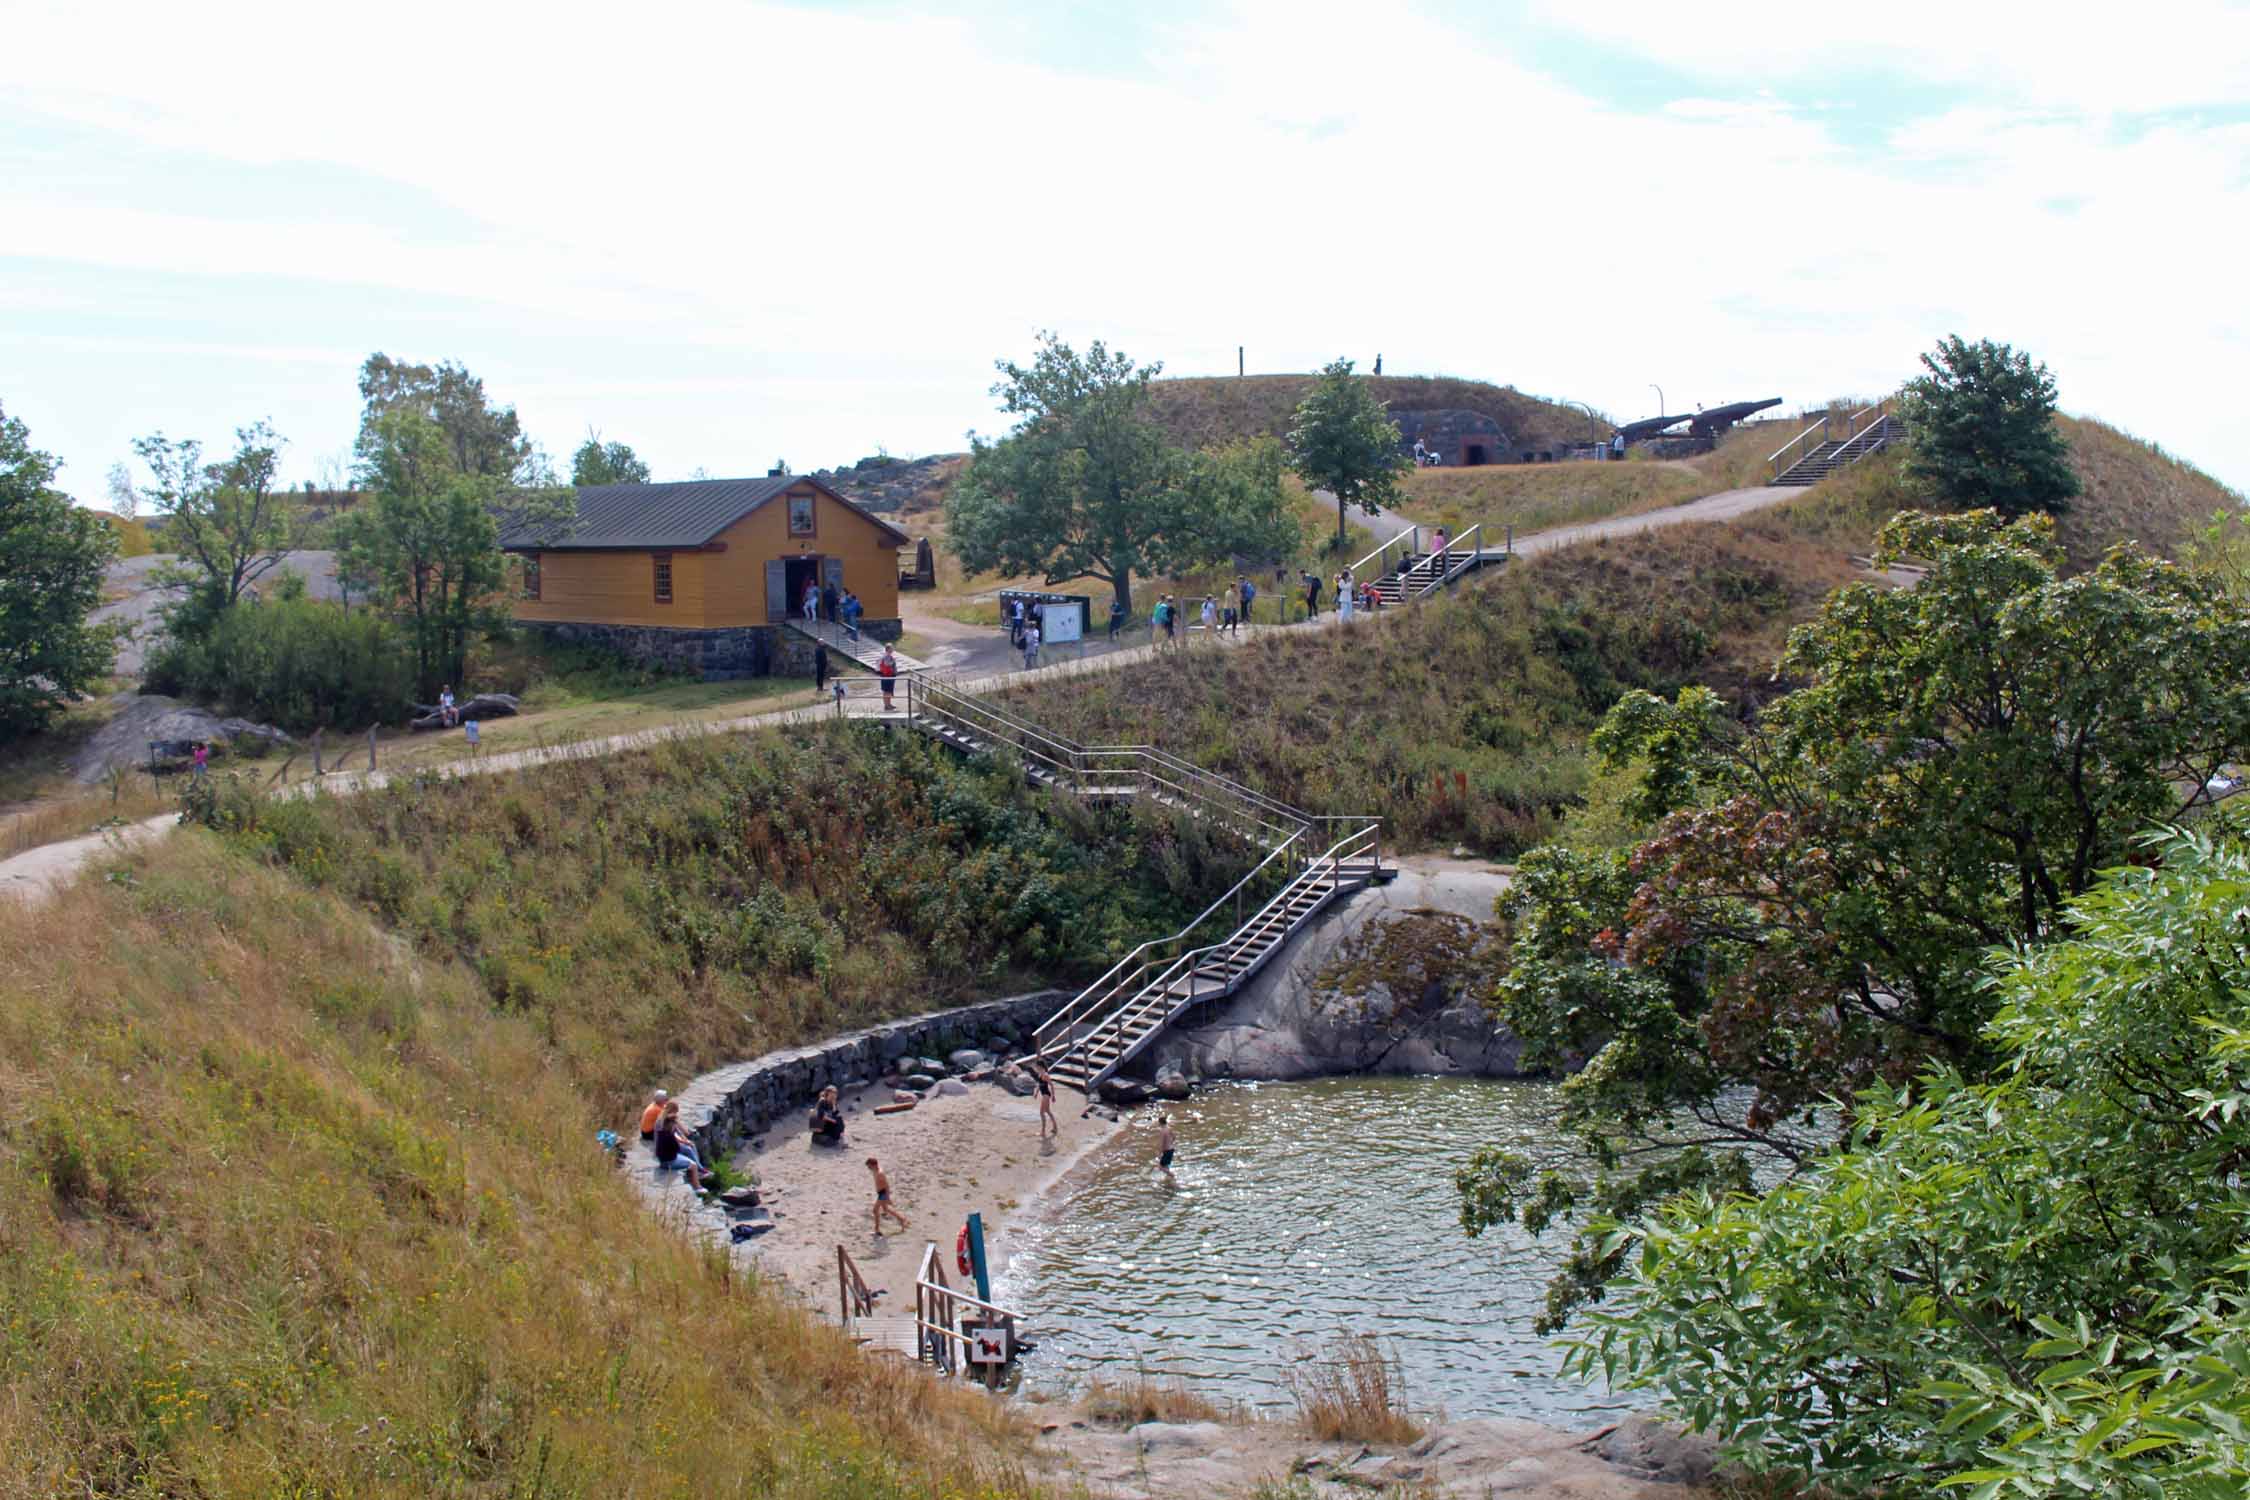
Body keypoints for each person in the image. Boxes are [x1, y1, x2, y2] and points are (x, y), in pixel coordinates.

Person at [653, 1100, 710, 1191]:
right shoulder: (662, 1123)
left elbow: (680, 1133)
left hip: (665, 1156)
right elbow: (675, 1144)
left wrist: (685, 1140)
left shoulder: (667, 1126)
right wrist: (684, 1141)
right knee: (689, 1155)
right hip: (668, 1160)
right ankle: (698, 1182)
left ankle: (700, 1170)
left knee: (690, 1147)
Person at [867, 1157, 910, 1235]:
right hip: (880, 1193)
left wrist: (888, 1197)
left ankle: (877, 1230)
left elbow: (886, 1185)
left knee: (875, 1210)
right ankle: (902, 1219)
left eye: (869, 1166)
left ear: (873, 1165)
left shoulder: (880, 1173)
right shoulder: (875, 1170)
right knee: (886, 1209)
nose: (868, 1168)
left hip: (883, 1193)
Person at [1029, 1060, 1058, 1140]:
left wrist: (1053, 1096)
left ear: (1040, 1066)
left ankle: (1043, 1131)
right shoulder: (1040, 1074)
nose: (1036, 1068)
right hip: (1043, 1095)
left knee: (1042, 1113)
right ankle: (1055, 1127)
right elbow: (1039, 1084)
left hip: (1046, 1095)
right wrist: (1036, 1093)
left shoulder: (1045, 1075)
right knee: (1048, 1111)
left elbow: (1051, 1085)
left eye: (1037, 1066)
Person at [877, 645, 898, 711]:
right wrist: (893, 661)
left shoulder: (887, 656)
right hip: (887, 676)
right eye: (892, 648)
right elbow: (887, 664)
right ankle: (887, 705)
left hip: (888, 675)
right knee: (887, 691)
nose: (893, 649)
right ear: (888, 649)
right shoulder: (886, 656)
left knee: (888, 691)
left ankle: (888, 704)